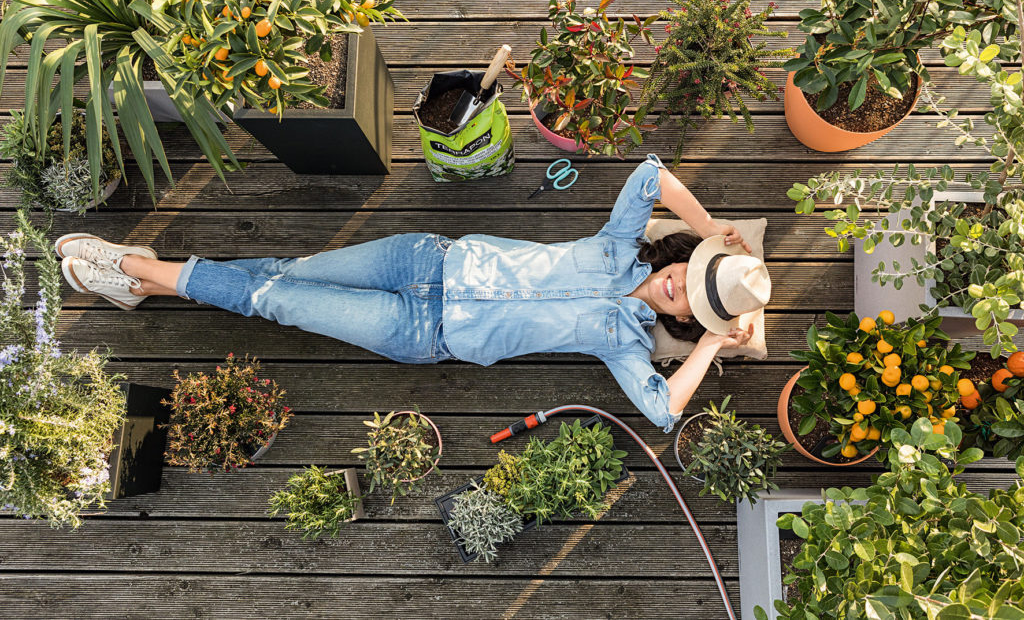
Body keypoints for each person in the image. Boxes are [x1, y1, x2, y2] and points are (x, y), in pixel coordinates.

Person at [57, 154, 769, 431]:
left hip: (420, 332)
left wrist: (709, 342)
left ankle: (139, 271)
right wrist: (715, 231)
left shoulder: (624, 344)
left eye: (688, 301)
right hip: (421, 258)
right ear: (679, 255)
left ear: (681, 316)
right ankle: (149, 280)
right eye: (688, 268)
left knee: (277, 299)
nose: (679, 285)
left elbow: (662, 410)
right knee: (289, 269)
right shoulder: (620, 245)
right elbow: (652, 175)